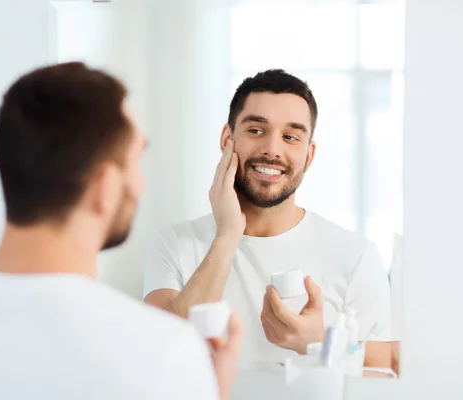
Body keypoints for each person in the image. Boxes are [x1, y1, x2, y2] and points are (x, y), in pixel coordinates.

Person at [0, 62, 242, 400]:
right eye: (136, 160)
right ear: (105, 188)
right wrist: (210, 390)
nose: (140, 183)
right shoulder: (161, 351)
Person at [143, 69, 392, 367]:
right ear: (227, 139)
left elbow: (383, 374)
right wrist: (228, 234)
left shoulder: (357, 256)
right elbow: (158, 354)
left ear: (309, 156)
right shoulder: (172, 244)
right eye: (256, 131)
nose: (273, 150)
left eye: (290, 137)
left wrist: (318, 344)